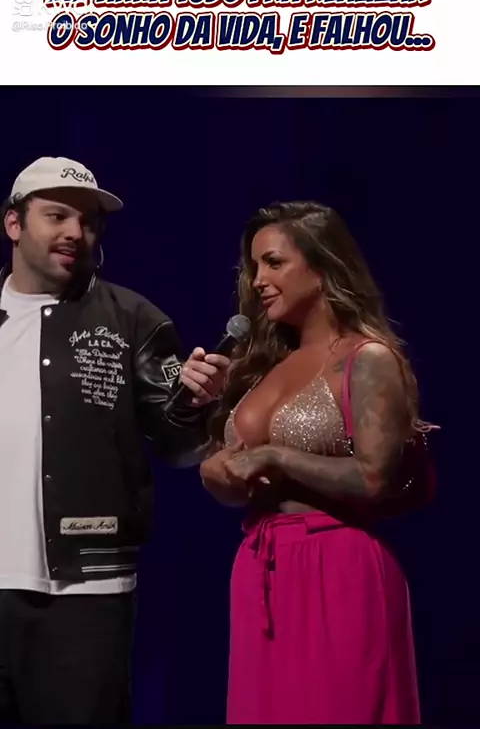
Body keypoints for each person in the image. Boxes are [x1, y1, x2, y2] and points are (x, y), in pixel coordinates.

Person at [0, 156, 230, 726]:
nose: (75, 232)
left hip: (86, 594)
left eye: (88, 221)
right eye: (57, 216)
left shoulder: (132, 320)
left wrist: (195, 403)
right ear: (14, 224)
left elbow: (179, 445)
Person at [200, 200, 438, 725]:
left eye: (274, 262)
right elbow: (239, 473)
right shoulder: (262, 365)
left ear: (323, 265)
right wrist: (216, 473)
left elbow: (374, 478)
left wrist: (276, 456)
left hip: (338, 569)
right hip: (261, 568)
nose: (258, 281)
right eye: (254, 266)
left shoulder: (366, 359)